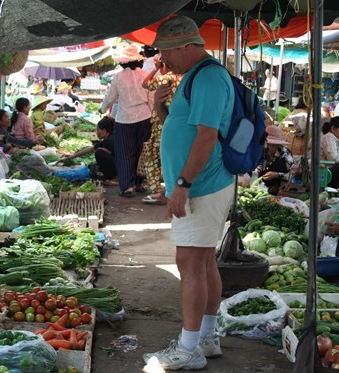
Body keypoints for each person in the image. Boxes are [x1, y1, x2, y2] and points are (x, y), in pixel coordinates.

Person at [142, 16, 235, 371]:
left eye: (166, 53)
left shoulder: (209, 76)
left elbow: (207, 136)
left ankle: (188, 349)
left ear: (186, 46)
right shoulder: (194, 78)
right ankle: (206, 338)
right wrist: (161, 108)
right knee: (204, 261)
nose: (164, 62)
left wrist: (182, 185)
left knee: (189, 264)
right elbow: (184, 128)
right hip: (202, 184)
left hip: (201, 185)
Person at [100, 44, 152, 197]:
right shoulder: (145, 75)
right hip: (145, 116)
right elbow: (151, 97)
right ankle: (140, 182)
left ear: (122, 62)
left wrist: (102, 109)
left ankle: (127, 187)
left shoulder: (118, 77)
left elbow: (111, 96)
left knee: (124, 153)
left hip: (125, 119)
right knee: (141, 151)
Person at [141, 56, 182, 204]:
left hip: (161, 122)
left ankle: (157, 191)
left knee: (152, 156)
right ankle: (173, 187)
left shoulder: (166, 78)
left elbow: (145, 84)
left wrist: (156, 69)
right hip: (176, 121)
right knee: (170, 155)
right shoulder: (182, 79)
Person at [62, 116, 116, 183]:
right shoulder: (111, 137)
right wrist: (73, 156)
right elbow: (92, 148)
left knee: (99, 152)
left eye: (98, 130)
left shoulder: (110, 140)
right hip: (120, 167)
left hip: (120, 168)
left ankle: (112, 178)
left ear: (104, 131)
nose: (96, 132)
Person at [255, 125, 294, 195]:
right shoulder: (263, 151)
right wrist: (258, 170)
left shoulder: (286, 155)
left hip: (282, 188)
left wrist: (277, 175)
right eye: (268, 144)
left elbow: (292, 177)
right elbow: (260, 164)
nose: (270, 148)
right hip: (263, 188)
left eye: (273, 145)